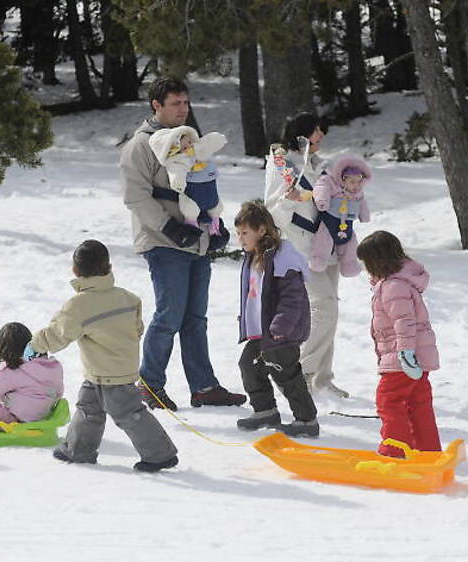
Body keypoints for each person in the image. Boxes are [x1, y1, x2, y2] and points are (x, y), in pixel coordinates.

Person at [120, 76, 245, 411]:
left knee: (196, 318)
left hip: (196, 241)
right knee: (169, 316)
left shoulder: (190, 141)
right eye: (175, 103)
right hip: (163, 242)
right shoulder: (141, 146)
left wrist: (214, 227)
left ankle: (203, 386)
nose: (182, 109)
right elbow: (135, 197)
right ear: (156, 106)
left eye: (185, 103)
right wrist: (170, 229)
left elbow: (203, 188)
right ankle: (149, 384)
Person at [26, 240, 178, 473]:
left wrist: (35, 345)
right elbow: (137, 328)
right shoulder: (127, 297)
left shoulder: (79, 305)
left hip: (110, 374)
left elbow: (58, 334)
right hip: (109, 369)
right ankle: (78, 449)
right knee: (88, 407)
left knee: (128, 412)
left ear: (75, 271)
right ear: (109, 267)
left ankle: (160, 454)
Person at [263, 112, 349, 398]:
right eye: (317, 131)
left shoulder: (317, 164)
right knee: (325, 308)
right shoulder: (281, 164)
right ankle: (302, 371)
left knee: (330, 312)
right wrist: (287, 202)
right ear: (302, 133)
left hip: (328, 245)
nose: (321, 136)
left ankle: (322, 378)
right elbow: (272, 212)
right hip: (301, 248)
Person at [234, 201, 319, 438]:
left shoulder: (282, 257)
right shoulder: (254, 257)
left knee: (285, 373)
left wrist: (281, 324)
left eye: (245, 233)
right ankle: (265, 410)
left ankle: (307, 420)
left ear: (262, 230)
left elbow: (292, 297)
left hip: (281, 331)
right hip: (262, 331)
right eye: (238, 233)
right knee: (249, 365)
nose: (240, 238)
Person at [356, 231, 441, 458]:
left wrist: (405, 353)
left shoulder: (393, 287)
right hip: (416, 358)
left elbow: (404, 322)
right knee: (418, 404)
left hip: (403, 359)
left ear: (378, 260)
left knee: (389, 401)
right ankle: (427, 450)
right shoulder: (400, 283)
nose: (366, 269)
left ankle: (394, 451)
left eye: (367, 263)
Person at [148, 125, 227, 234]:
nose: (189, 147)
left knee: (215, 206)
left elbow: (207, 144)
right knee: (190, 209)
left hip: (210, 188)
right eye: (184, 147)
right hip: (193, 192)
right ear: (174, 150)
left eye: (189, 143)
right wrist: (177, 182)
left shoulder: (197, 149)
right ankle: (192, 225)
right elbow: (176, 171)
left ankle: (215, 223)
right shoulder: (178, 160)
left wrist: (217, 139)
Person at [310, 153, 372, 275]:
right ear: (343, 179)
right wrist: (322, 200)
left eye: (359, 182)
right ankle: (318, 260)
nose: (356, 185)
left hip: (347, 225)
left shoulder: (358, 194)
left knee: (350, 243)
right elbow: (321, 187)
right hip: (330, 222)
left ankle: (349, 264)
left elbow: (362, 204)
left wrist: (364, 216)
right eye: (352, 182)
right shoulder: (332, 185)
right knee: (323, 241)